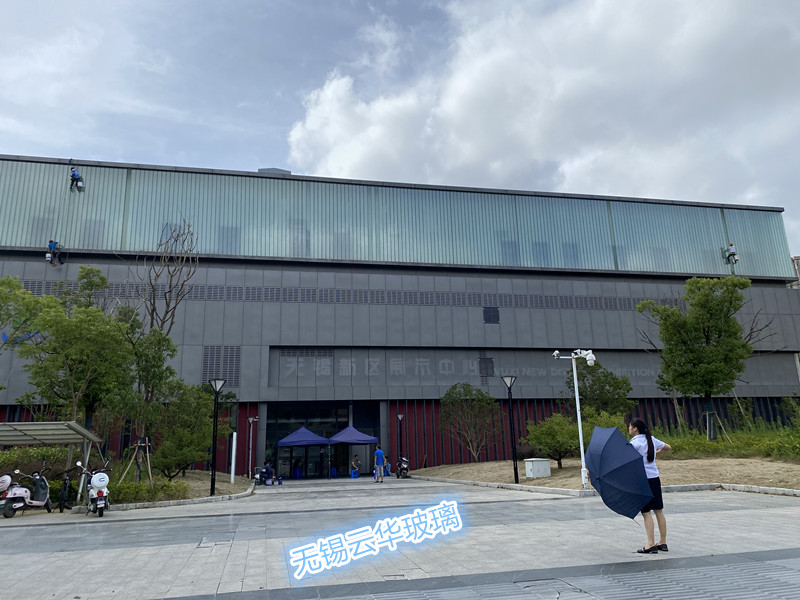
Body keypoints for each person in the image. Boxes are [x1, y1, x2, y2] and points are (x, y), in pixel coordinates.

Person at [629, 418, 671, 554]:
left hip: (642, 480)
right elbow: (667, 447)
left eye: (630, 426)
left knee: (646, 512)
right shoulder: (651, 439)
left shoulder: (634, 443)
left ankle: (650, 544)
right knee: (658, 510)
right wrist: (655, 454)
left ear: (635, 429)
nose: (629, 429)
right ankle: (663, 542)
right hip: (654, 478)